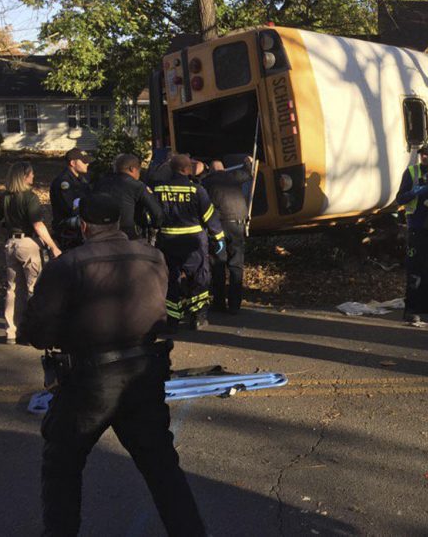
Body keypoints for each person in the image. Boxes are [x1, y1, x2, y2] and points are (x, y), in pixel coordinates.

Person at [20, 193, 205, 536]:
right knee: (162, 468)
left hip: (89, 380)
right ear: (119, 222)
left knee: (62, 465)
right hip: (144, 373)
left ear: (84, 225)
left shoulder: (68, 266)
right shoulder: (153, 258)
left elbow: (38, 332)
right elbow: (164, 308)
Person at [0, 161, 61, 344]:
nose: (33, 176)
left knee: (12, 288)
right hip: (28, 243)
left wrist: (5, 237)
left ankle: (11, 331)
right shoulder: (30, 198)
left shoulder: (4, 197)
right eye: (31, 174)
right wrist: (53, 246)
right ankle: (31, 331)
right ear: (24, 176)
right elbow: (38, 225)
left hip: (11, 243)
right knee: (33, 288)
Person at [153, 154, 225, 331]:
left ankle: (172, 319)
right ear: (186, 170)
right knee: (199, 277)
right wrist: (219, 237)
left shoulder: (159, 189)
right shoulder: (196, 190)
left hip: (167, 241)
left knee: (171, 279)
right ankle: (198, 317)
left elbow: (151, 216)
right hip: (193, 242)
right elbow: (209, 216)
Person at [395, 143, 428, 323]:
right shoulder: (411, 172)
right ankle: (410, 308)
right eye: (423, 155)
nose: (426, 158)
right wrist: (415, 191)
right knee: (414, 268)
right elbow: (399, 198)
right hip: (416, 225)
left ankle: (425, 303)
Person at [202, 157, 254, 314]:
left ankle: (219, 303)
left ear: (210, 171)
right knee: (236, 265)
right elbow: (248, 173)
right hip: (237, 224)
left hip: (218, 226)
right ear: (224, 169)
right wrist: (248, 162)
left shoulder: (207, 182)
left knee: (218, 264)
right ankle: (234, 305)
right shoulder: (233, 177)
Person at [93, 153, 164, 240]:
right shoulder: (137, 186)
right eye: (139, 171)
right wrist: (155, 227)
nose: (139, 174)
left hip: (103, 234)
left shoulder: (100, 184)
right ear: (132, 169)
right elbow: (157, 212)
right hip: (130, 235)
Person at [50, 148, 93, 250]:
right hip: (68, 232)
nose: (87, 164)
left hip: (79, 229)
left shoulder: (81, 179)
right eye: (84, 162)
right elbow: (70, 208)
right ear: (73, 163)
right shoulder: (64, 183)